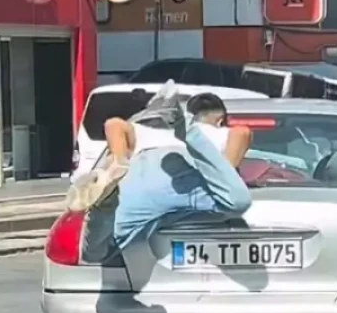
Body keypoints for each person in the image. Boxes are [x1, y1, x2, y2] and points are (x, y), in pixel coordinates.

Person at [69, 84, 253, 254]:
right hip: (191, 179)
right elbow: (242, 133)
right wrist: (226, 171)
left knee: (95, 252)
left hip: (140, 180)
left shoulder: (149, 130)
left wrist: (119, 159)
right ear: (221, 120)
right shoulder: (222, 132)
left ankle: (106, 205)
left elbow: (113, 124)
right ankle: (186, 131)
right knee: (237, 202)